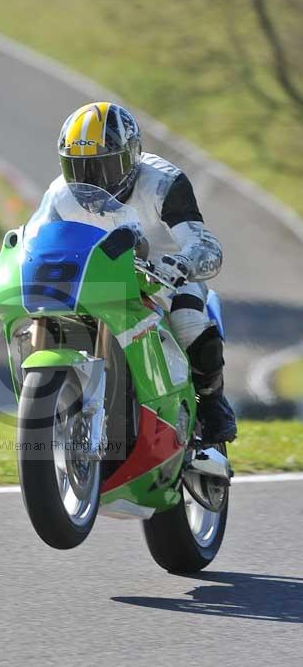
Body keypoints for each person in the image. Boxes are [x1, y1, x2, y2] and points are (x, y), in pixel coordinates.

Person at [43, 101, 237, 444]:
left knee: (190, 322)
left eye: (105, 168)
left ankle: (211, 402)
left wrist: (183, 264)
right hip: (96, 281)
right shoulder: (60, 195)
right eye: (80, 170)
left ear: (132, 155)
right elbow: (40, 243)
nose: (93, 183)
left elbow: (206, 247)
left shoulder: (164, 183)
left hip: (165, 277)